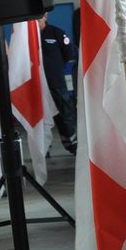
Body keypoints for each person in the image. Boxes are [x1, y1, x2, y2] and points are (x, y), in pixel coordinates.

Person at [39, 10, 77, 153]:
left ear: (45, 16)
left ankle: (71, 144)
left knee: (65, 115)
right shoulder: (30, 38)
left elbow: (69, 54)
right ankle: (44, 148)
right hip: (39, 85)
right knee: (41, 117)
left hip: (56, 83)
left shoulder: (56, 33)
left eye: (39, 17)